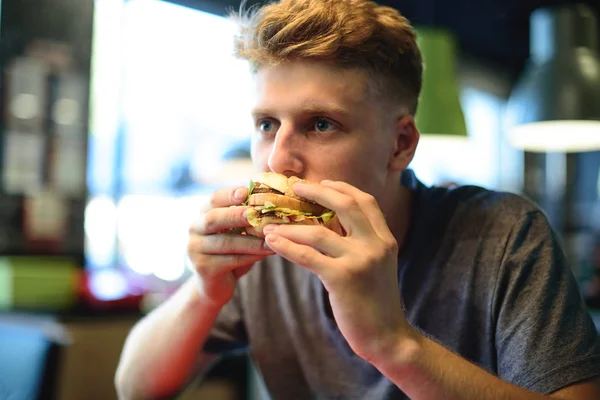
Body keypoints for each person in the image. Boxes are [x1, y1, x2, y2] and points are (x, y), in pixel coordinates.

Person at [114, 0, 600, 399]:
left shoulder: (505, 237)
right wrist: (204, 293)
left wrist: (393, 342)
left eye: (321, 124)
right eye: (267, 125)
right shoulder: (265, 254)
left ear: (400, 145)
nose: (278, 160)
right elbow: (133, 387)